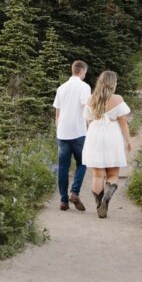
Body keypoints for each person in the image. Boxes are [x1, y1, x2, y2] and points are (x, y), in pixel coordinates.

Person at [82, 70, 131, 219]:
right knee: (113, 174)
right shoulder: (118, 99)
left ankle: (99, 205)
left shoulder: (91, 99)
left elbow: (89, 120)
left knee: (97, 175)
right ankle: (106, 199)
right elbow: (123, 123)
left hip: (95, 135)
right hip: (112, 137)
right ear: (112, 84)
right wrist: (128, 141)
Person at [53, 60, 91, 211]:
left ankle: (63, 201)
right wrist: (91, 127)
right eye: (85, 72)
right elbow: (86, 107)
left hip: (62, 132)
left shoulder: (61, 88)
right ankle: (74, 192)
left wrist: (58, 130)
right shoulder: (84, 87)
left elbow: (57, 112)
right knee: (83, 162)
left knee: (63, 167)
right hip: (78, 131)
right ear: (81, 71)